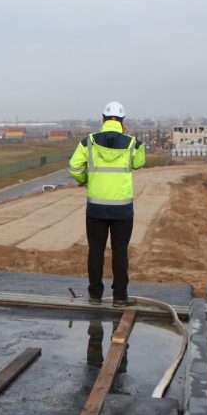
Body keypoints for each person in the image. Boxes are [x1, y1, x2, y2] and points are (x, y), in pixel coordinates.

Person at [69, 101, 146, 307]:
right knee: (120, 251)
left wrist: (86, 181)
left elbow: (74, 167)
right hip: (122, 210)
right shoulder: (132, 143)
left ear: (103, 119)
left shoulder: (88, 142)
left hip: (96, 208)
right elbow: (139, 163)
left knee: (96, 250)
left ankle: (95, 295)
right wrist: (129, 137)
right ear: (122, 121)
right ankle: (120, 297)